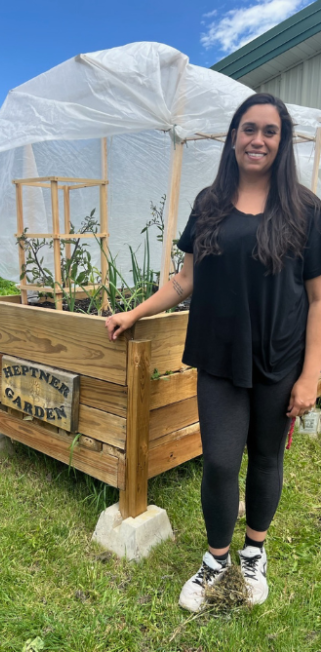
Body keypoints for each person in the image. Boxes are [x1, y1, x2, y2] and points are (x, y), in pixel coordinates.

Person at [105, 93, 321, 612]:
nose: (259, 139)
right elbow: (185, 281)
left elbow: (318, 297)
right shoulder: (209, 203)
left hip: (281, 356)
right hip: (220, 357)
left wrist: (311, 375)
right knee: (221, 463)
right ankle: (217, 560)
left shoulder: (306, 208)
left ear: (282, 141)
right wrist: (135, 313)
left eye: (270, 131)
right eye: (249, 129)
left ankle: (254, 552)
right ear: (233, 136)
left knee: (266, 458)